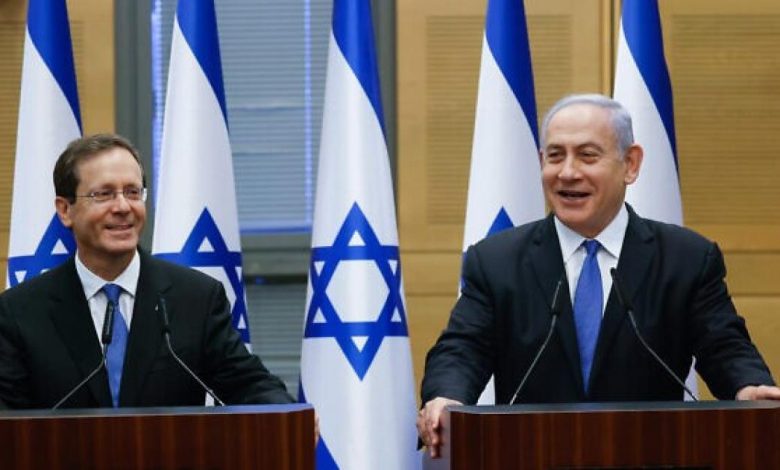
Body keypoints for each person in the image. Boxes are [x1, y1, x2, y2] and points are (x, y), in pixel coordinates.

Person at [417, 94, 780, 457]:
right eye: (555, 156)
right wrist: (446, 396)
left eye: (587, 156)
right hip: (531, 454)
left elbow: (724, 345)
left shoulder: (685, 259)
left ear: (630, 164)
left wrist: (748, 386)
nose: (567, 172)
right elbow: (463, 349)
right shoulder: (497, 260)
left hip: (651, 455)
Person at [0, 133, 294, 409]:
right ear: (65, 210)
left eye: (132, 192)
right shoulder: (20, 312)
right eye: (104, 194)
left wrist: (287, 414)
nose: (123, 206)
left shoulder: (196, 298)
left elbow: (248, 384)